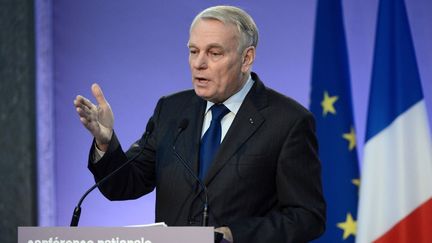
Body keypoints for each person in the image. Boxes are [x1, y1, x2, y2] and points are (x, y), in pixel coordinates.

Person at [74, 5, 325, 243]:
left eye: (214, 53)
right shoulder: (171, 111)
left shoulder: (288, 121)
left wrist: (234, 235)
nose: (198, 63)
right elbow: (124, 184)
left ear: (246, 58)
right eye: (193, 51)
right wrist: (105, 143)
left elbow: (307, 216)